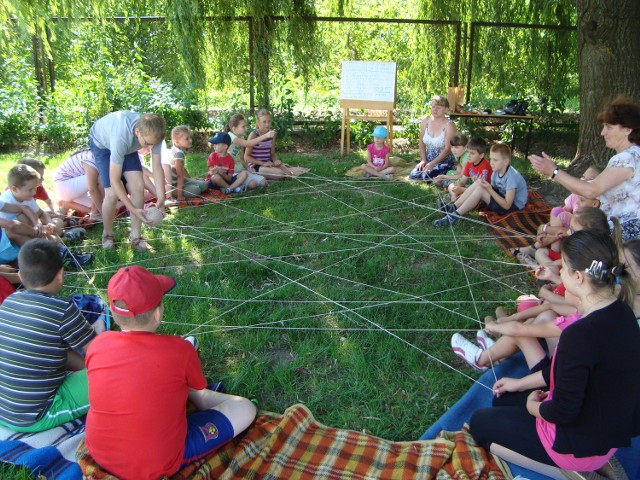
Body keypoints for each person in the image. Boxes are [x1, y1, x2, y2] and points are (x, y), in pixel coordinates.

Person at [469, 230, 640, 479]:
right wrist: (519, 384)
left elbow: (562, 412)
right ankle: (593, 462)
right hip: (603, 430)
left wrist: (532, 407)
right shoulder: (623, 314)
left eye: (564, 269)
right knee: (502, 399)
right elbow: (570, 373)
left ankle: (577, 473)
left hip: (576, 439)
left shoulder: (578, 336)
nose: (559, 273)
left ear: (578, 277)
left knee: (480, 425)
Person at [85, 265, 256, 479]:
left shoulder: (97, 345)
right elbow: (199, 385)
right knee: (245, 408)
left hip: (100, 451)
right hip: (158, 461)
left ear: (113, 312)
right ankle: (196, 398)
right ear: (158, 313)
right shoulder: (179, 349)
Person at [0, 239, 96, 432]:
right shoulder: (62, 309)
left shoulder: (9, 301)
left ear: (20, 274)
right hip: (35, 415)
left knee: (54, 346)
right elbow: (101, 351)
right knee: (115, 376)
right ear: (60, 275)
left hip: (4, 409)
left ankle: (81, 375)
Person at [529, 95, 640, 241]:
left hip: (627, 235)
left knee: (575, 241)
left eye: (609, 127)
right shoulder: (633, 155)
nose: (602, 132)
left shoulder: (627, 158)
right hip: (623, 230)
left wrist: (554, 172)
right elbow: (588, 188)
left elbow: (591, 190)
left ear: (627, 130)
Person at [89, 111, 166, 252]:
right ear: (137, 132)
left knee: (138, 186)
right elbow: (115, 179)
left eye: (153, 145)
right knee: (111, 194)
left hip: (130, 144)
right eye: (148, 144)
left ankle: (135, 238)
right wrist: (132, 209)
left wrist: (161, 198)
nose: (150, 148)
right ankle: (107, 234)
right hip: (102, 144)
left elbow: (157, 166)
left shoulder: (154, 134)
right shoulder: (121, 138)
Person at [433, 143, 527, 227]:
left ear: (505, 161)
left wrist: (489, 190)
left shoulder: (511, 177)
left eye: (495, 160)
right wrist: (478, 183)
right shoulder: (496, 171)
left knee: (481, 189)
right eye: (491, 159)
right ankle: (453, 208)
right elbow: (495, 190)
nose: (492, 163)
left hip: (513, 207)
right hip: (503, 198)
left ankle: (454, 216)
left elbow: (507, 205)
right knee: (479, 183)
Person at [0, 165, 59, 243]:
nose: (34, 193)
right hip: (9, 242)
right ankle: (49, 244)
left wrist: (46, 223)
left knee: (57, 222)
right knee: (21, 217)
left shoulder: (27, 197)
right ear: (14, 189)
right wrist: (39, 230)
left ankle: (55, 242)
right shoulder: (6, 200)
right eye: (30, 189)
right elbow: (12, 226)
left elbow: (35, 212)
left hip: (30, 234)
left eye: (35, 188)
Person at [245, 109, 309, 180]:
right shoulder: (254, 134)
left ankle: (287, 168)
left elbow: (272, 153)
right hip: (256, 165)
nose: (267, 124)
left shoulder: (272, 134)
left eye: (269, 121)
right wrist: (262, 163)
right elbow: (246, 157)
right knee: (280, 174)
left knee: (289, 174)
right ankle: (287, 168)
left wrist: (275, 161)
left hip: (268, 163)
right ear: (258, 122)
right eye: (264, 122)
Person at [408, 94, 457, 181]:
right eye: (433, 106)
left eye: (438, 107)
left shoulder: (449, 125)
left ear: (446, 109)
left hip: (445, 162)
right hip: (428, 160)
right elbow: (421, 142)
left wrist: (432, 163)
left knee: (426, 176)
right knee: (413, 175)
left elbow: (448, 149)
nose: (435, 109)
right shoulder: (425, 121)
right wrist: (423, 160)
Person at [225, 113, 273, 190]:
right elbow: (248, 144)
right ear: (234, 129)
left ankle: (240, 186)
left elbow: (241, 157)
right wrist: (266, 136)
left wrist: (248, 168)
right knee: (253, 184)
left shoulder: (242, 137)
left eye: (246, 126)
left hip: (241, 170)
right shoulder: (230, 136)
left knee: (263, 182)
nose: (246, 128)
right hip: (231, 173)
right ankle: (235, 187)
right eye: (243, 127)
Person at [53, 149, 103, 220]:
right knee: (100, 179)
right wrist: (103, 213)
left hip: (70, 186)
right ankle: (96, 214)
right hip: (64, 184)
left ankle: (67, 204)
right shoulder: (91, 158)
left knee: (95, 204)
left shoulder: (95, 157)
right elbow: (92, 189)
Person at [161, 125, 207, 201]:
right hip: (172, 185)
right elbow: (179, 176)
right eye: (187, 139)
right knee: (196, 190)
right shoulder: (178, 154)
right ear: (177, 141)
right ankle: (172, 193)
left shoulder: (175, 149)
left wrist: (191, 180)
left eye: (190, 138)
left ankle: (185, 187)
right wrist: (179, 196)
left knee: (203, 185)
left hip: (179, 181)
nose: (190, 140)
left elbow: (182, 169)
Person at [446, 137, 491, 202]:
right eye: (468, 152)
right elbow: (463, 181)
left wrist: (461, 189)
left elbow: (482, 188)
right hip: (471, 187)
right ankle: (454, 196)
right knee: (451, 186)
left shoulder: (485, 167)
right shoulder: (469, 163)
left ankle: (455, 198)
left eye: (472, 153)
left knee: (466, 195)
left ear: (481, 155)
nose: (468, 155)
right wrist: (457, 187)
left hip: (483, 191)